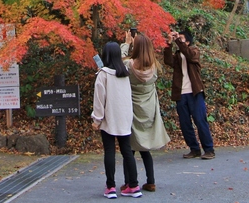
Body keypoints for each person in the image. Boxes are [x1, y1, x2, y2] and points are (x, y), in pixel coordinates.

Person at [92, 41, 142, 199]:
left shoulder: (103, 75)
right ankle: (134, 186)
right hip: (124, 117)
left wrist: (97, 119)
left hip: (109, 118)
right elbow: (127, 97)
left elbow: (99, 99)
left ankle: (111, 187)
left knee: (110, 151)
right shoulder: (124, 73)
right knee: (127, 151)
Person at [121, 32, 170, 192]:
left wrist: (126, 43)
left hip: (132, 109)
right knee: (145, 149)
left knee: (129, 148)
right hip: (148, 110)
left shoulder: (129, 66)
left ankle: (129, 181)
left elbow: (118, 62)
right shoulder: (155, 67)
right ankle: (151, 181)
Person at [164, 29, 215, 159]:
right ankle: (194, 149)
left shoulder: (194, 51)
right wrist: (169, 43)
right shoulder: (178, 56)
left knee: (200, 120)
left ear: (187, 41)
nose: (179, 40)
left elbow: (190, 55)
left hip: (195, 92)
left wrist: (178, 41)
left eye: (181, 38)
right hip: (181, 94)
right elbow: (168, 61)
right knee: (185, 123)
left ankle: (209, 149)